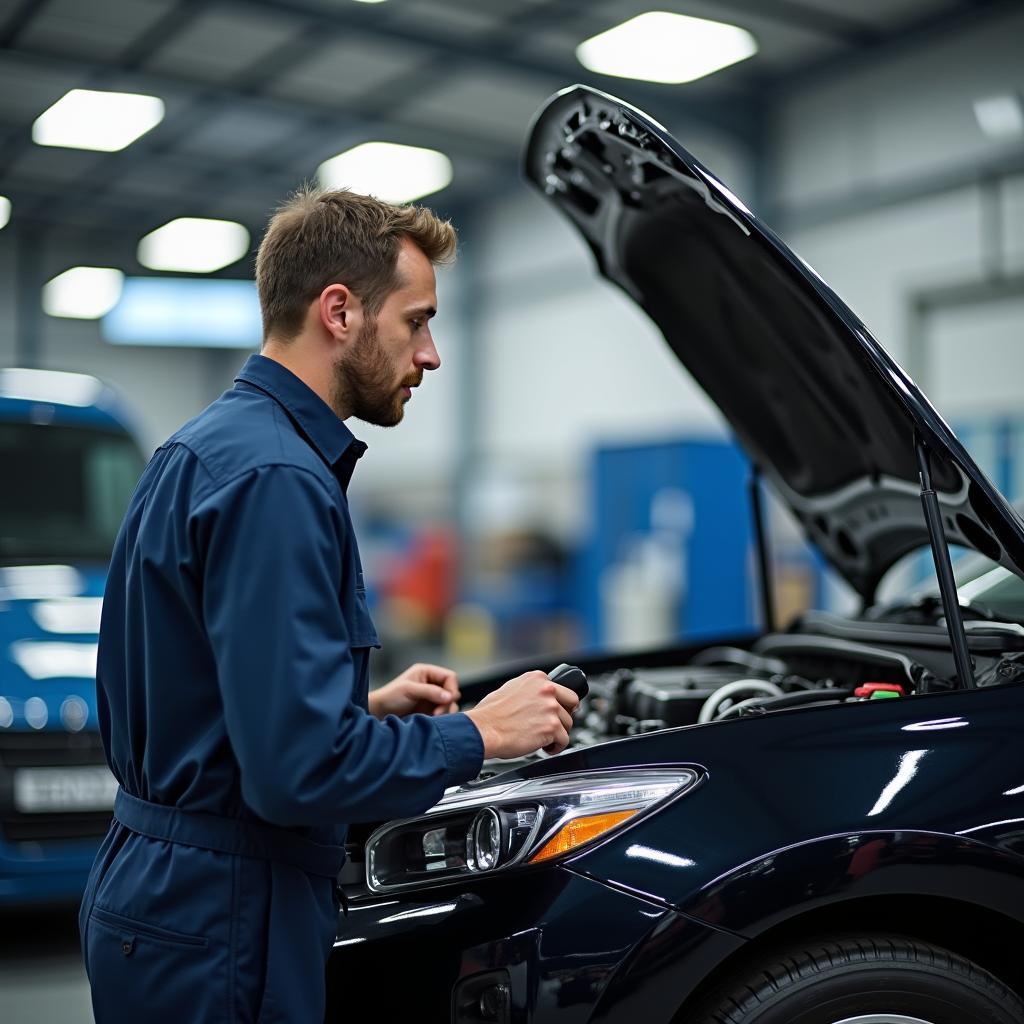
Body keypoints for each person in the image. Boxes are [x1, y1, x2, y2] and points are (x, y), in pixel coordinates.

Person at [79, 187, 580, 1023]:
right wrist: (481, 734)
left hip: (165, 890)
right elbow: (297, 773)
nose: (431, 354)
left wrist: (363, 709)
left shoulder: (207, 447)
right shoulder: (278, 479)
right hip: (224, 914)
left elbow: (195, 694)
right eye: (415, 321)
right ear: (340, 311)